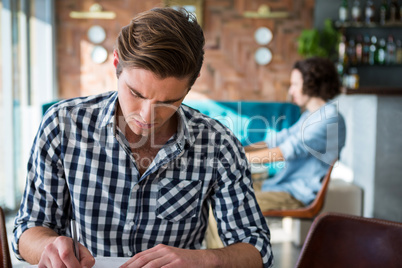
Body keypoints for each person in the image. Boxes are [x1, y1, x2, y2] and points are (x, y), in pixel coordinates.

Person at [12, 7, 273, 268]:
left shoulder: (218, 144)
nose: (147, 116)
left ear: (190, 86)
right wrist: (49, 247)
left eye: (169, 101)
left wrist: (203, 259)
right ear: (116, 64)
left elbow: (257, 248)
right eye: (136, 93)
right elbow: (28, 229)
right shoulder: (62, 125)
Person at [246, 57, 346, 211]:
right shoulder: (311, 115)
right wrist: (237, 149)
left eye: (295, 85)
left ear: (311, 83)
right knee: (217, 195)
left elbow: (287, 151)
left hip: (297, 193)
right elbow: (279, 140)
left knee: (226, 203)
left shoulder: (329, 118)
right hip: (282, 185)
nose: (291, 91)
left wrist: (238, 158)